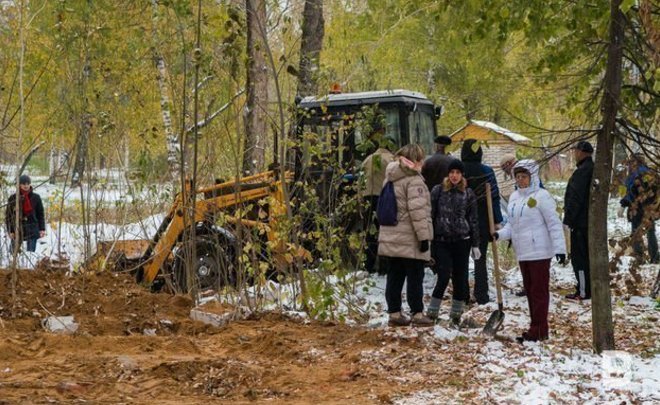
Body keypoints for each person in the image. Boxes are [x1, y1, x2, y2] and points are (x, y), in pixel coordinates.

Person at [494, 160, 566, 342]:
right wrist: (498, 235)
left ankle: (539, 329)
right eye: (517, 176)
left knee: (539, 292)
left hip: (540, 251)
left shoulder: (542, 196)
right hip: (523, 251)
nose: (520, 180)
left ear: (532, 176)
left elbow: (554, 223)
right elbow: (511, 225)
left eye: (524, 176)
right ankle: (536, 326)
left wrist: (560, 248)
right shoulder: (514, 198)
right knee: (530, 290)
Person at [378, 144, 434, 326]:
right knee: (415, 276)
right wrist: (424, 238)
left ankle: (394, 313)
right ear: (416, 160)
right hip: (410, 237)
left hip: (391, 235)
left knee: (395, 275)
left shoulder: (390, 177)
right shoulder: (414, 180)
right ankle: (417, 313)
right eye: (421, 158)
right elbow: (418, 213)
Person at [427, 159, 480, 324]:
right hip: (442, 240)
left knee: (460, 277)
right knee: (443, 276)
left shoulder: (468, 193)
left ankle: (456, 314)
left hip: (462, 241)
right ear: (448, 174)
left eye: (457, 173)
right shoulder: (438, 190)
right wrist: (429, 239)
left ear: (462, 175)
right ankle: (432, 311)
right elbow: (430, 215)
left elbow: (473, 220)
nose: (454, 176)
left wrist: (475, 244)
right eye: (451, 173)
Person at [460, 139, 503, 305]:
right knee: (480, 258)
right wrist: (497, 220)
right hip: (483, 220)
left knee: (462, 259)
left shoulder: (459, 170)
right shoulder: (487, 171)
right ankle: (481, 294)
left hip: (462, 219)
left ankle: (462, 294)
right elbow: (494, 196)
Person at [360, 134, 396, 274]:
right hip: (385, 199)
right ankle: (384, 267)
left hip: (368, 199)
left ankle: (368, 265)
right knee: (386, 232)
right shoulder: (391, 160)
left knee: (370, 233)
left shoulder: (367, 160)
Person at [563, 140, 594, 300]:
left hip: (580, 223)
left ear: (581, 152)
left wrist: (568, 219)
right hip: (587, 222)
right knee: (584, 257)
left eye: (575, 151)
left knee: (579, 259)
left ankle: (583, 291)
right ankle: (587, 288)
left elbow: (576, 197)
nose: (574, 154)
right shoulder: (590, 169)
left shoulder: (582, 172)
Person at [620, 153, 658, 264]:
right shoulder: (650, 172)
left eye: (631, 161)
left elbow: (631, 191)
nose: (630, 164)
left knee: (636, 233)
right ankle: (655, 257)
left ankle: (639, 257)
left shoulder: (635, 174)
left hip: (637, 207)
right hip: (650, 207)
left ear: (635, 162)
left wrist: (624, 204)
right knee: (651, 232)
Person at [5, 174, 46, 253]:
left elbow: (40, 214)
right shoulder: (13, 198)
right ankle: (13, 265)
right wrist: (10, 230)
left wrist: (42, 228)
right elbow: (8, 216)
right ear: (19, 185)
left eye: (28, 183)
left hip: (32, 227)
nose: (26, 186)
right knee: (12, 253)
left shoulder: (36, 197)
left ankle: (28, 265)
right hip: (18, 227)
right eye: (24, 184)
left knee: (31, 253)